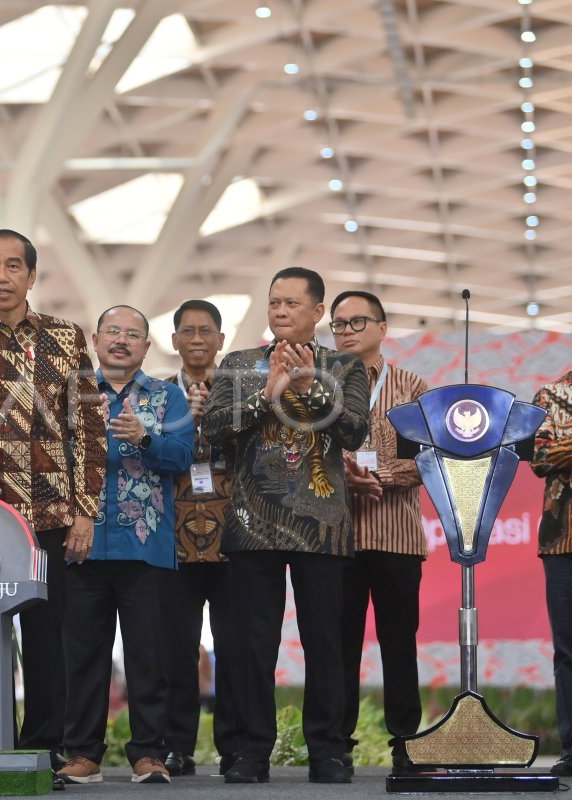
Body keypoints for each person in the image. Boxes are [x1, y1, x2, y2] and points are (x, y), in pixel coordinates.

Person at [0, 229, 108, 762]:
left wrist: (85, 512)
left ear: (32, 276)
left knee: (47, 636)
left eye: (14, 266)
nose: (2, 276)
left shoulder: (65, 336)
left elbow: (89, 426)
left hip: (53, 515)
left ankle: (44, 747)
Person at [205, 267, 369, 784]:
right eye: (274, 302)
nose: (280, 311)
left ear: (318, 312)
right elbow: (213, 429)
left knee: (325, 641)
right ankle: (252, 752)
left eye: (291, 303)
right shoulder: (239, 363)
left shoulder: (344, 366)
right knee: (254, 643)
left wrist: (307, 386)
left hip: (323, 524)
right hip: (255, 522)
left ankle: (327, 751)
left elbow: (353, 430)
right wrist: (268, 392)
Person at [56, 305, 192, 785]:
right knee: (84, 656)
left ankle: (149, 754)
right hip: (81, 547)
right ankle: (83, 754)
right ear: (94, 340)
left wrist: (146, 438)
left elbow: (182, 460)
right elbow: (49, 466)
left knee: (149, 656)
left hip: (146, 547)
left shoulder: (167, 398)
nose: (120, 340)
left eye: (132, 334)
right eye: (112, 331)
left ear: (146, 347)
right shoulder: (68, 396)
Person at [329, 291, 428, 774]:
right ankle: (336, 746)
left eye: (357, 322)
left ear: (383, 328)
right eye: (339, 324)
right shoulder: (318, 387)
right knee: (339, 643)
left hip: (397, 538)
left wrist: (376, 477)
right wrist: (342, 477)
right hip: (337, 539)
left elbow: (423, 460)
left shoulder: (410, 386)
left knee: (398, 641)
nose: (346, 331)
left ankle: (406, 744)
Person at [162, 299, 239, 776]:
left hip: (234, 537)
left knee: (235, 646)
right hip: (172, 536)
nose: (196, 339)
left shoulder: (240, 390)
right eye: (187, 331)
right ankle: (175, 745)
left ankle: (235, 747)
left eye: (205, 331)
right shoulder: (157, 395)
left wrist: (217, 416)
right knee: (175, 647)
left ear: (220, 340)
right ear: (173, 340)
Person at [531, 296, 572, 778]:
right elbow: (541, 457)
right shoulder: (552, 394)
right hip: (564, 539)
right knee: (570, 648)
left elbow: (565, 448)